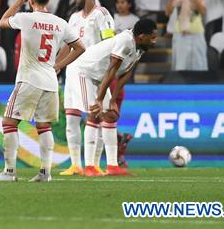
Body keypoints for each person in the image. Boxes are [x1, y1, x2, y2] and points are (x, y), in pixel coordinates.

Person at [0, 0, 84, 183]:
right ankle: (45, 173)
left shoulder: (25, 18)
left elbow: (2, 21)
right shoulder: (60, 23)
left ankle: (9, 172)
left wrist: (18, 1)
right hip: (50, 80)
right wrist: (59, 65)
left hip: (29, 79)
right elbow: (80, 47)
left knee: (9, 123)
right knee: (44, 126)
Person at [64, 18, 158, 177]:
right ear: (142, 36)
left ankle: (112, 166)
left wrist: (113, 100)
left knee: (111, 115)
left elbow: (126, 74)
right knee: (94, 113)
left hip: (98, 77)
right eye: (153, 37)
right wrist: (99, 100)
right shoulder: (125, 41)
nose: (155, 41)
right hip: (82, 72)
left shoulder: (140, 47)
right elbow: (112, 70)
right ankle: (89, 166)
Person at [61, 0, 116, 176]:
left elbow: (109, 40)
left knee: (95, 115)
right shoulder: (74, 18)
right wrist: (57, 66)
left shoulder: (101, 14)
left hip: (93, 73)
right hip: (72, 71)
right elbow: (67, 45)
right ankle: (75, 164)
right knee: (71, 118)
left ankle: (94, 163)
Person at [165, 0, 209, 71]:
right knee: (181, 68)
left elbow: (203, 11)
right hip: (180, 34)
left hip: (196, 34)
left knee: (199, 68)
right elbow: (168, 12)